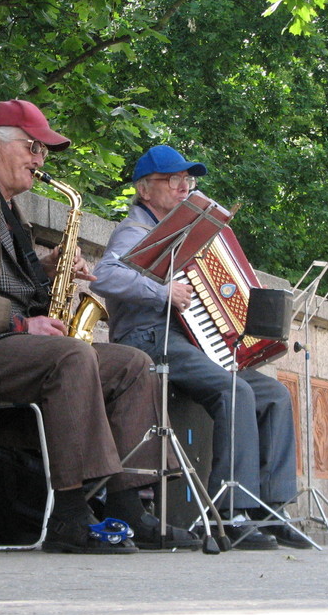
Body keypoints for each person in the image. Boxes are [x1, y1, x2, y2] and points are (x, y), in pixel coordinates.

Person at [0, 100, 198, 554]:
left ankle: (129, 507)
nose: (40, 160)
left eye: (43, 152)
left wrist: (49, 266)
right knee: (73, 355)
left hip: (6, 345)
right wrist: (20, 322)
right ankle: (70, 515)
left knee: (133, 363)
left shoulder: (8, 208)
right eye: (33, 147)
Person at [91, 144, 308, 551]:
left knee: (274, 394)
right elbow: (103, 277)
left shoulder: (185, 235)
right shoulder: (133, 231)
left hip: (191, 343)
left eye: (188, 181)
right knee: (234, 389)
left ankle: (270, 507)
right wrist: (162, 290)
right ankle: (229, 511)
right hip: (148, 340)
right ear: (144, 190)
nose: (184, 188)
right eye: (174, 180)